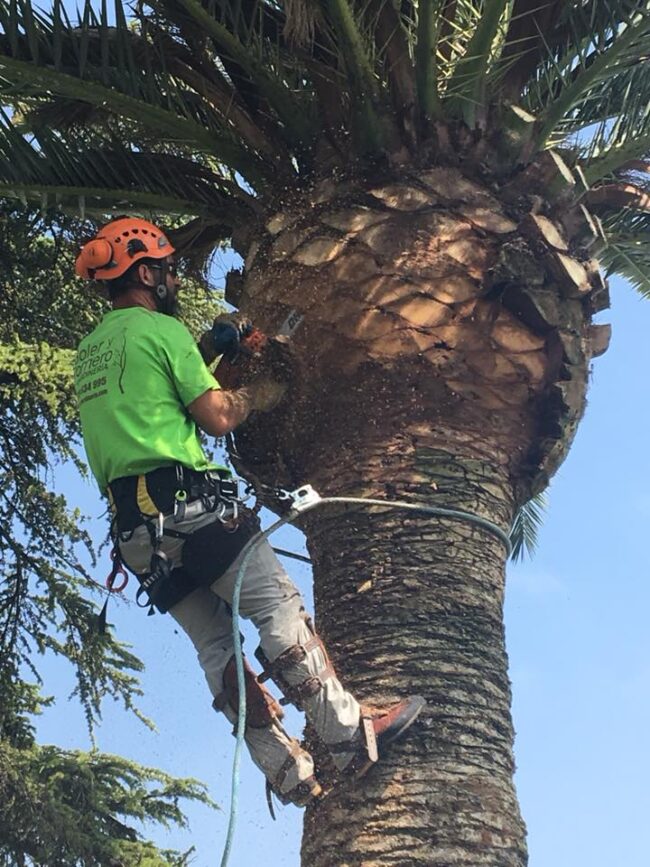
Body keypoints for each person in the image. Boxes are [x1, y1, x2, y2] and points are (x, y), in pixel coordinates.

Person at [73, 216, 425, 809]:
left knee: (218, 652)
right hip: (194, 511)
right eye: (164, 267)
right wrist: (257, 393)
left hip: (139, 537)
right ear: (146, 272)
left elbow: (150, 399)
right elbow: (214, 417)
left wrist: (213, 347)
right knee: (277, 609)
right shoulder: (162, 332)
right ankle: (350, 736)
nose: (171, 277)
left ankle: (291, 775)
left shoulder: (91, 352)